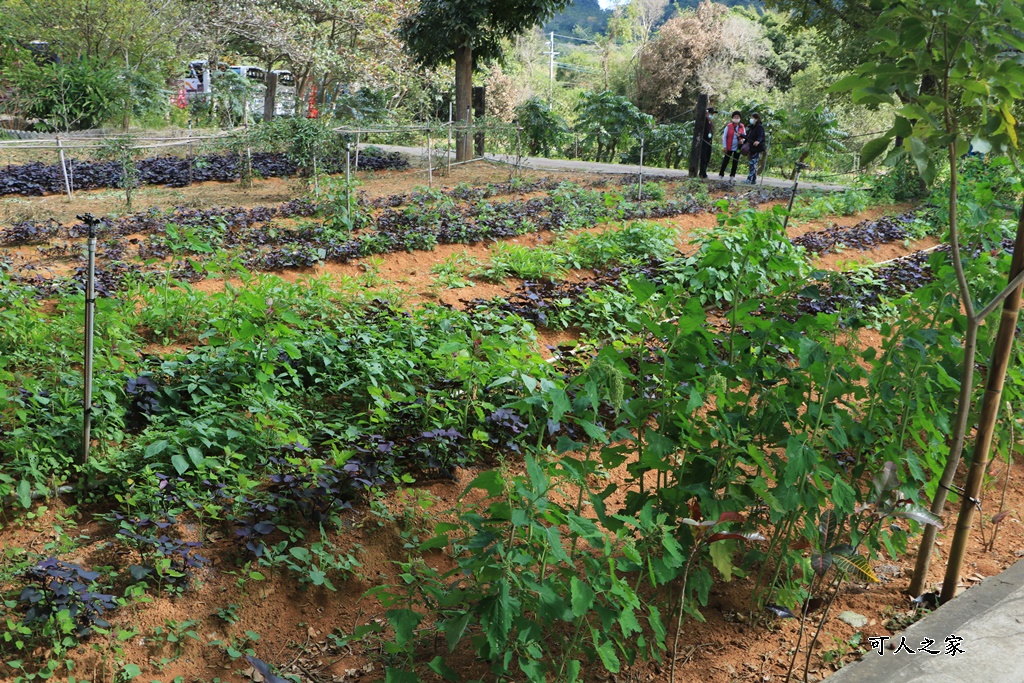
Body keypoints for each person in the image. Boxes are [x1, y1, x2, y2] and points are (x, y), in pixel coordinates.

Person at [719, 111, 745, 180]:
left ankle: (732, 176)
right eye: (735, 117)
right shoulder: (728, 126)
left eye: (738, 117)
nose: (736, 118)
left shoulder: (742, 126)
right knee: (726, 160)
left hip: (738, 147)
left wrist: (742, 141)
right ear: (732, 118)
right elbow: (724, 136)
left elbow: (745, 136)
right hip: (729, 147)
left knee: (735, 161)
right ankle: (721, 174)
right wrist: (725, 146)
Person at [743, 112, 765, 184]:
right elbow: (748, 137)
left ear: (756, 119)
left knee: (753, 163)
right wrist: (741, 135)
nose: (751, 119)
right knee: (753, 164)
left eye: (752, 118)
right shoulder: (752, 128)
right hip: (752, 148)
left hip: (757, 149)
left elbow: (760, 136)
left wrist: (758, 141)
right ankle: (753, 180)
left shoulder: (759, 127)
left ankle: (749, 179)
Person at [698, 107, 716, 178]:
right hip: (704, 141)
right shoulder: (704, 121)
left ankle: (704, 171)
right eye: (711, 113)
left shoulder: (710, 122)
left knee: (707, 158)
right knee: (703, 157)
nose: (712, 115)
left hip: (709, 141)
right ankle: (702, 173)